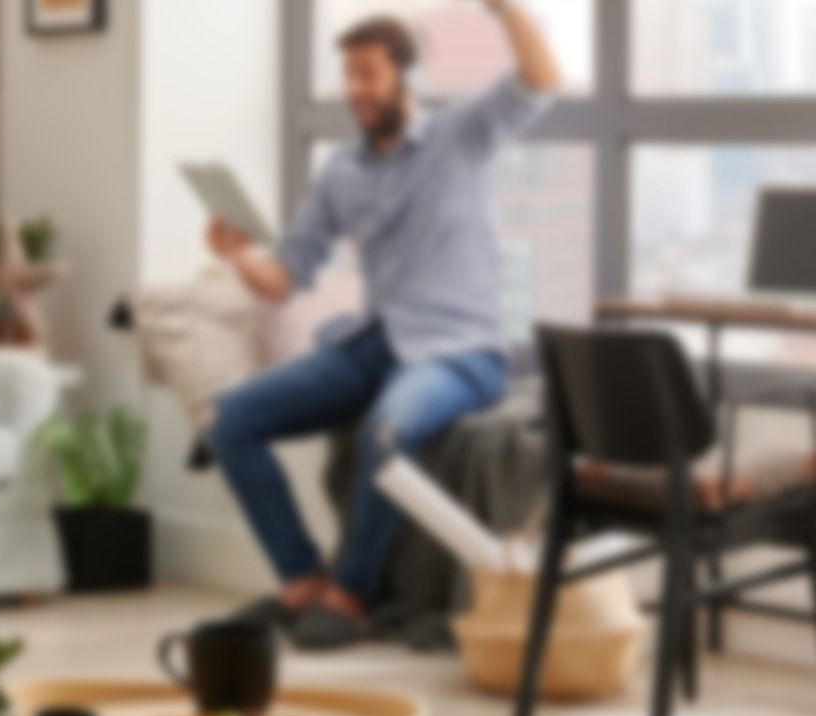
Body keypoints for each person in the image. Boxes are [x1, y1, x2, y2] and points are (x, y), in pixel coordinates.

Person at [206, 1, 560, 651]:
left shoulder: (461, 135)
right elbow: (288, 277)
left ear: (404, 76)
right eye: (348, 75)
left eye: (368, 74)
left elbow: (539, 81)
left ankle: (354, 593)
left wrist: (507, 10)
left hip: (461, 351)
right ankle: (302, 582)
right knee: (231, 419)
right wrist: (237, 257)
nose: (354, 90)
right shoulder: (342, 170)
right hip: (375, 344)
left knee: (387, 429)